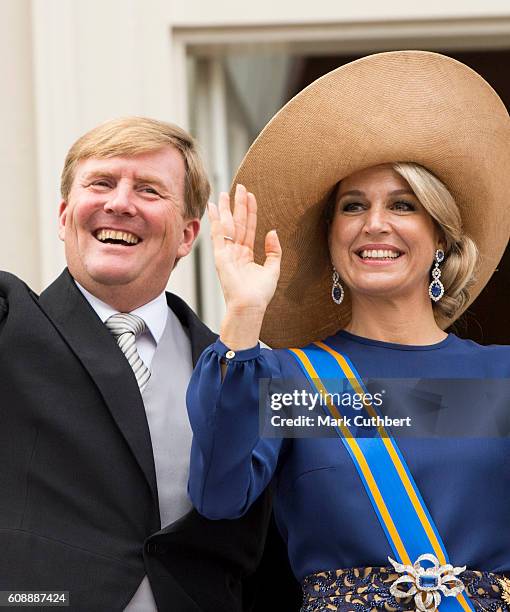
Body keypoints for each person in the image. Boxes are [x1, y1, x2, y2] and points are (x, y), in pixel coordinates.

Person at [186, 51, 510, 611]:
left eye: (403, 205)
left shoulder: (500, 375)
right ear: (332, 242)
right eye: (353, 206)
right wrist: (243, 313)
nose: (374, 223)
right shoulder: (289, 379)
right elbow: (218, 496)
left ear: (440, 239)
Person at [0, 116, 299, 611]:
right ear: (63, 216)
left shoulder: (244, 368)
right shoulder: (9, 320)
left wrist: (246, 318)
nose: (120, 203)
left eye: (149, 190)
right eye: (100, 183)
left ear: (186, 236)